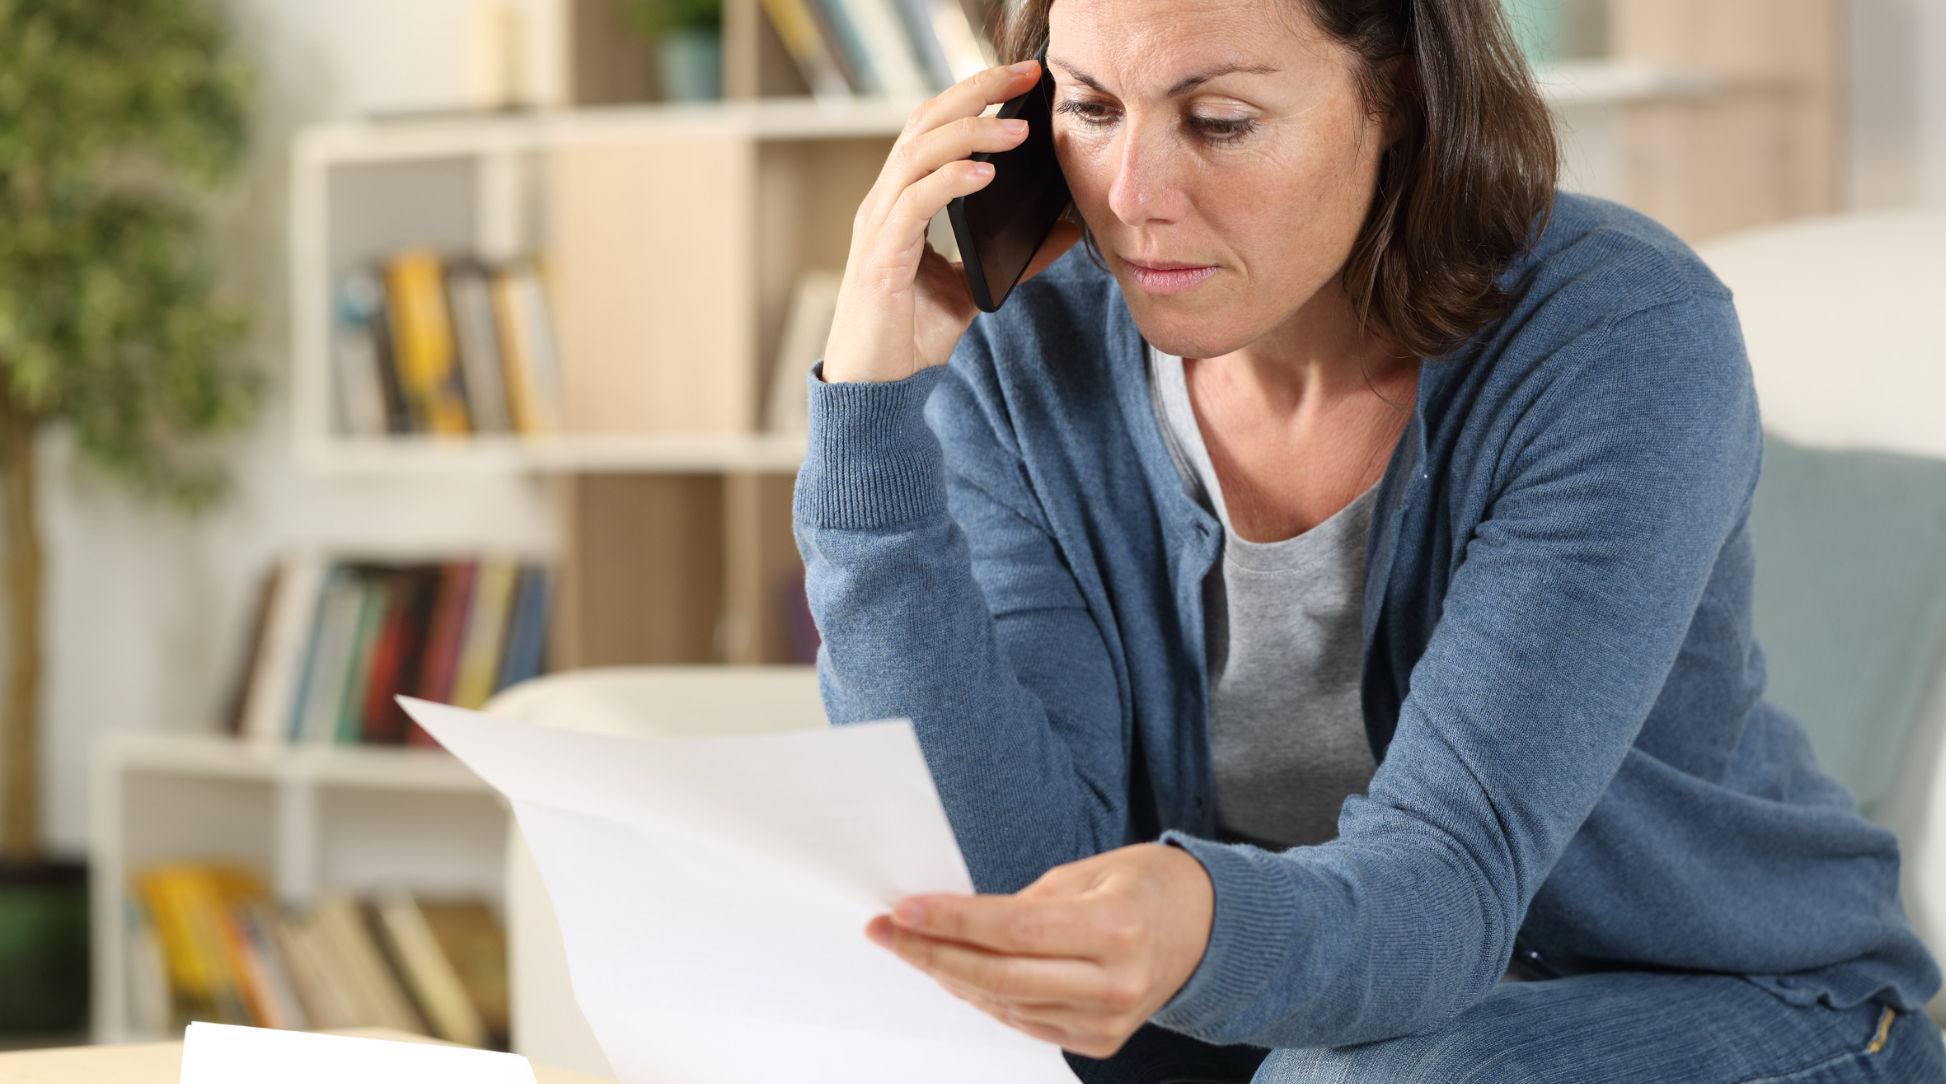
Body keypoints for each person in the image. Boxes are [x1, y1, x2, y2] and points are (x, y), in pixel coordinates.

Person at [792, 0, 1946, 1079]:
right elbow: (1009, 892)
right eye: (1089, 109)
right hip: (1295, 1030)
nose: (1130, 194)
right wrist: (865, 426)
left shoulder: (1616, 337)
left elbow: (1445, 883)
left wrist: (1192, 921)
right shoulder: (1028, 357)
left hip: (1748, 1006)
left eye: (1218, 121)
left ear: (1396, 99)